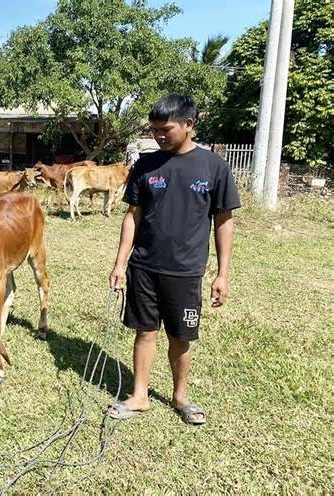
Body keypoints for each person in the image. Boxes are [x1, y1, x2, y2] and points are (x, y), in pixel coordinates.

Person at [107, 94, 240, 425]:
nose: (158, 136)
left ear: (189, 125)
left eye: (165, 129)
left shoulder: (214, 167)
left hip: (185, 271)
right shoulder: (146, 165)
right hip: (144, 266)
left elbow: (224, 222)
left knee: (180, 337)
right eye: (154, 130)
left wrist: (223, 274)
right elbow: (132, 216)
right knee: (145, 331)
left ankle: (180, 397)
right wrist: (120, 263)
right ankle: (139, 396)